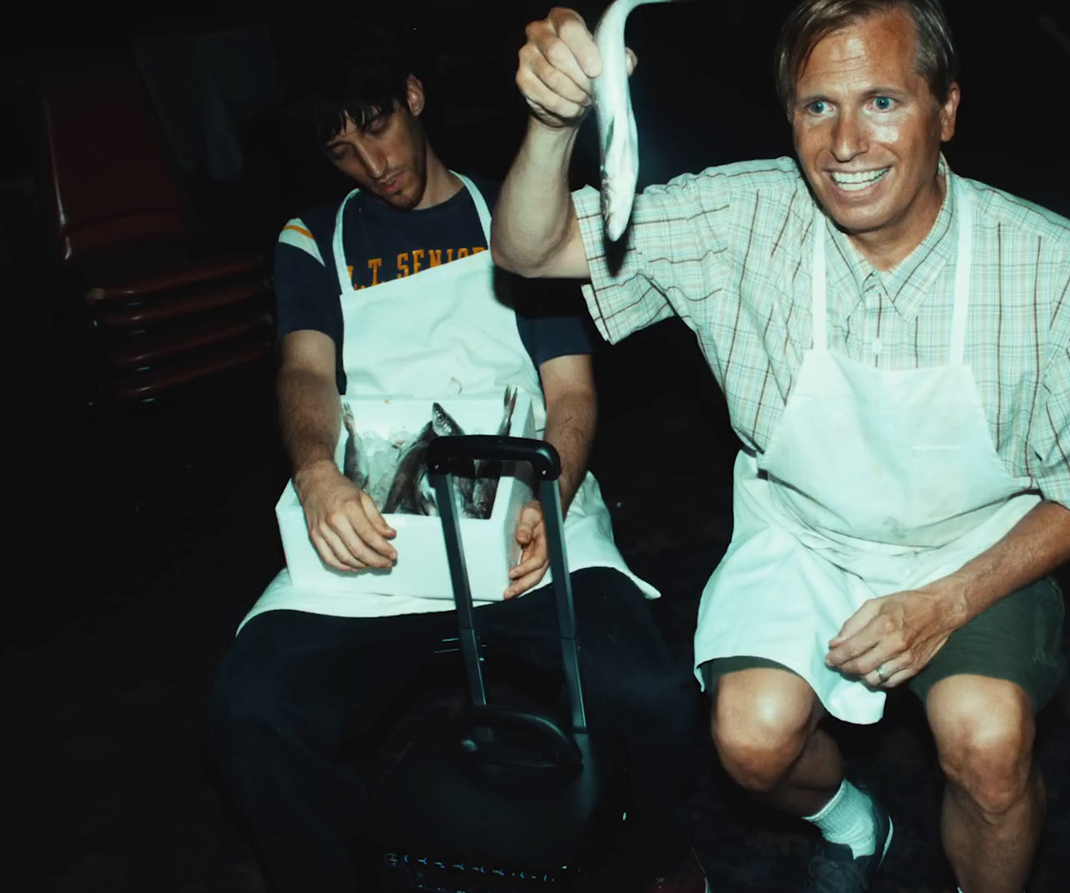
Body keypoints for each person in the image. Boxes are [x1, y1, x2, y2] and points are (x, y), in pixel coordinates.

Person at [490, 1, 1070, 891]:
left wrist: (944, 602)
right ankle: (857, 824)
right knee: (750, 738)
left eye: (883, 100)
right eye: (818, 106)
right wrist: (552, 126)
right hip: (804, 535)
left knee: (988, 740)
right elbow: (530, 249)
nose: (847, 142)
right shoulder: (741, 219)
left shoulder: (1056, 270)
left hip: (970, 548)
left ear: (948, 109)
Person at [203, 44, 707, 893]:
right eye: (341, 152)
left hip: (527, 507)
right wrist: (319, 474)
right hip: (381, 532)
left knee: (650, 692)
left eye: (379, 127)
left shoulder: (514, 218)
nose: (374, 166)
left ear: (413, 94)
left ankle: (645, 861)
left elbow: (572, 392)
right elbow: (304, 374)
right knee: (251, 711)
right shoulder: (312, 239)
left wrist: (553, 496)